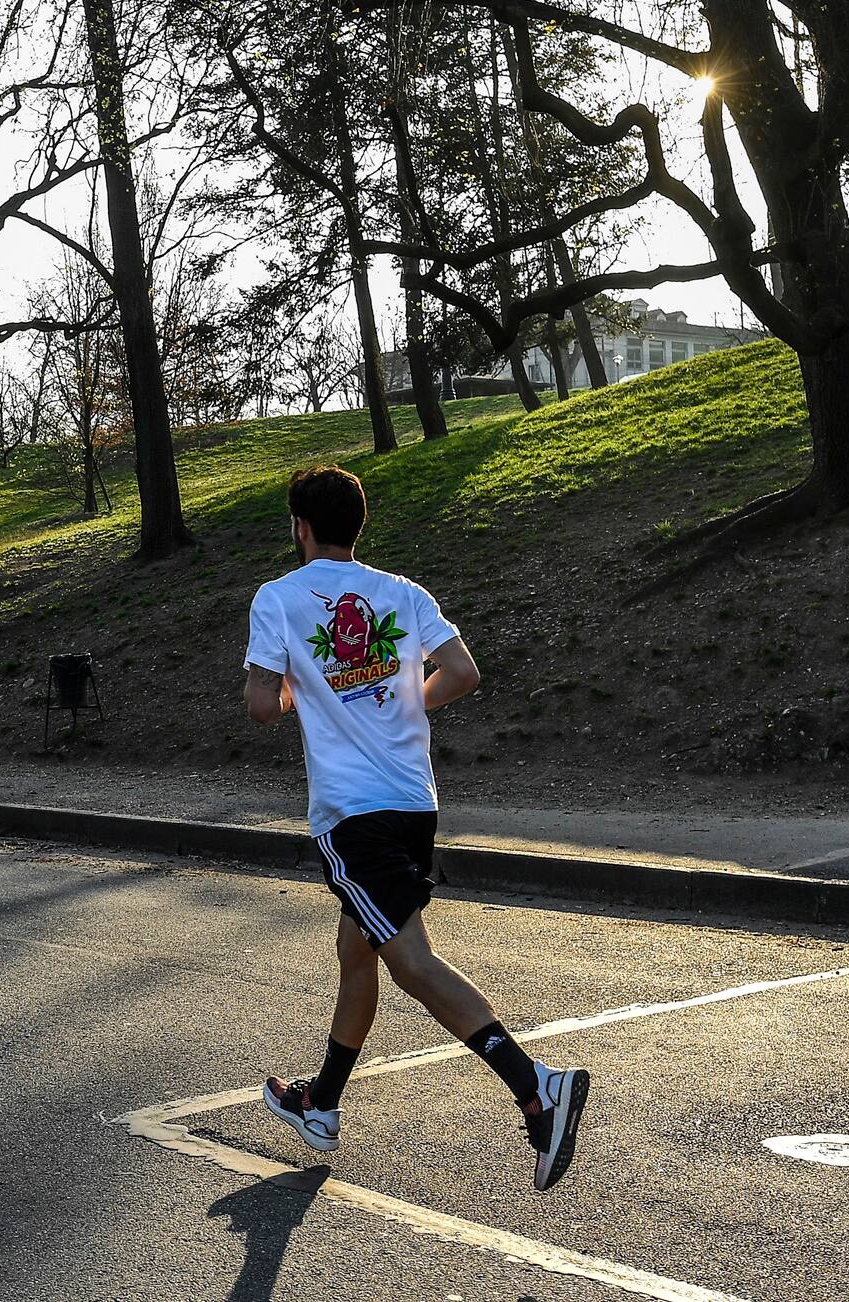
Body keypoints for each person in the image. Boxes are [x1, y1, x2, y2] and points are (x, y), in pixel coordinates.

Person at [242, 465, 590, 1193]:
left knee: (410, 961)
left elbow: (259, 707)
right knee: (355, 946)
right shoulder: (402, 592)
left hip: (351, 812)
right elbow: (462, 671)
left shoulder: (278, 598)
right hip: (413, 800)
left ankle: (536, 1089)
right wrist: (403, 710)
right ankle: (323, 1104)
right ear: (355, 525)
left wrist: (300, 686)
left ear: (300, 527)